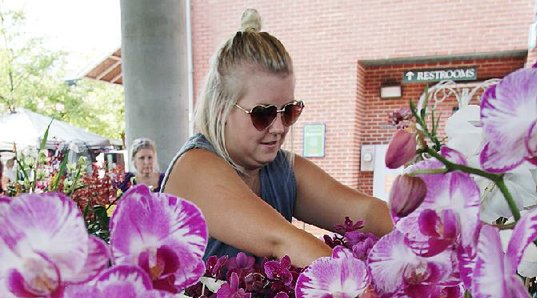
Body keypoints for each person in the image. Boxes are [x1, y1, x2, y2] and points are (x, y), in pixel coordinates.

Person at [162, 8, 392, 268]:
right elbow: (281, 241)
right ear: (222, 109)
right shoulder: (195, 168)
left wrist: (428, 241)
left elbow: (366, 213)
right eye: (263, 113)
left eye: (290, 111)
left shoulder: (282, 169)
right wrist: (357, 286)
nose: (279, 127)